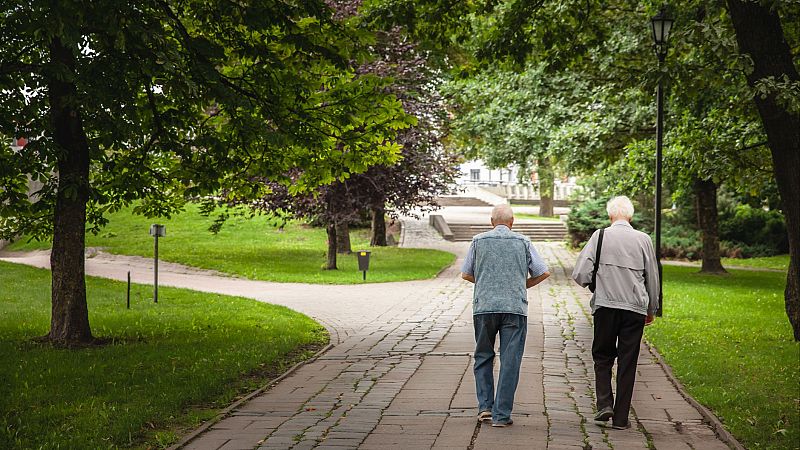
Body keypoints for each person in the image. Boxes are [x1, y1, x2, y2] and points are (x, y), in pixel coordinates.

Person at [571, 196, 660, 430]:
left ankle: (604, 404)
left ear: (610, 215)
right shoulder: (643, 240)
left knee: (602, 356)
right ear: (630, 216)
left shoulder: (599, 236)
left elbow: (580, 274)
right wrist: (651, 309)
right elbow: (652, 277)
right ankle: (621, 419)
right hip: (634, 309)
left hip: (606, 307)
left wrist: (597, 282)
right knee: (628, 362)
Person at [461, 204, 550, 427]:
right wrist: (522, 285)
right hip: (514, 309)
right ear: (513, 221)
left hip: (484, 308)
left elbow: (466, 273)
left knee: (483, 356)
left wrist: (485, 284)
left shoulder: (478, 241)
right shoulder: (523, 242)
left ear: (492, 222)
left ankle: (485, 408)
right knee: (510, 361)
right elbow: (543, 272)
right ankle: (501, 415)